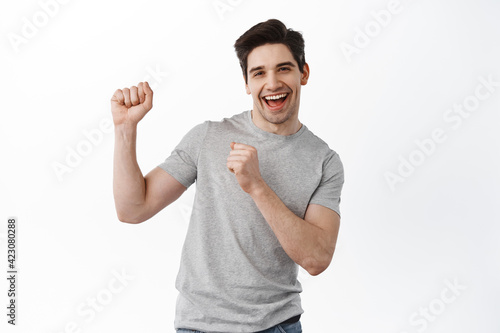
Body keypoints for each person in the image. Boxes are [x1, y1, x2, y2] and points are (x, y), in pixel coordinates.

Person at [111, 19, 344, 333]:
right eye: (259, 73)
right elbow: (132, 209)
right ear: (247, 83)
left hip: (277, 325)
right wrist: (126, 129)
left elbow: (317, 259)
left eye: (284, 69)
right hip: (200, 326)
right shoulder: (208, 137)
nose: (272, 83)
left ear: (304, 73)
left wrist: (257, 186)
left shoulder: (324, 161)